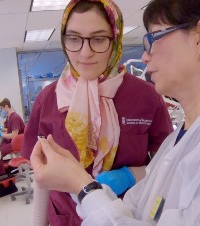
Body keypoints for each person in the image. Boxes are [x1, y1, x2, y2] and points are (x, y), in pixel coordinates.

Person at [31, 0, 200, 225]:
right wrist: (84, 188)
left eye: (154, 37)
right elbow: (139, 212)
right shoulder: (179, 140)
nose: (145, 57)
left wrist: (83, 186)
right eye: (74, 39)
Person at [22, 0, 172, 225]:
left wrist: (131, 174)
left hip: (124, 215)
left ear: (115, 40)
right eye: (74, 38)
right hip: (66, 217)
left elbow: (168, 164)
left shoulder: (146, 96)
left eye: (98, 39)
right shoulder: (48, 99)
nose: (85, 52)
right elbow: (42, 172)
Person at [0, 98, 25, 176]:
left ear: (6, 106)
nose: (0, 112)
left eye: (0, 110)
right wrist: (0, 129)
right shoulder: (10, 117)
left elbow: (14, 135)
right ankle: (1, 172)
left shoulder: (14, 117)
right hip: (11, 141)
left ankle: (2, 176)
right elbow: (9, 131)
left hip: (16, 143)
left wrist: (1, 134)